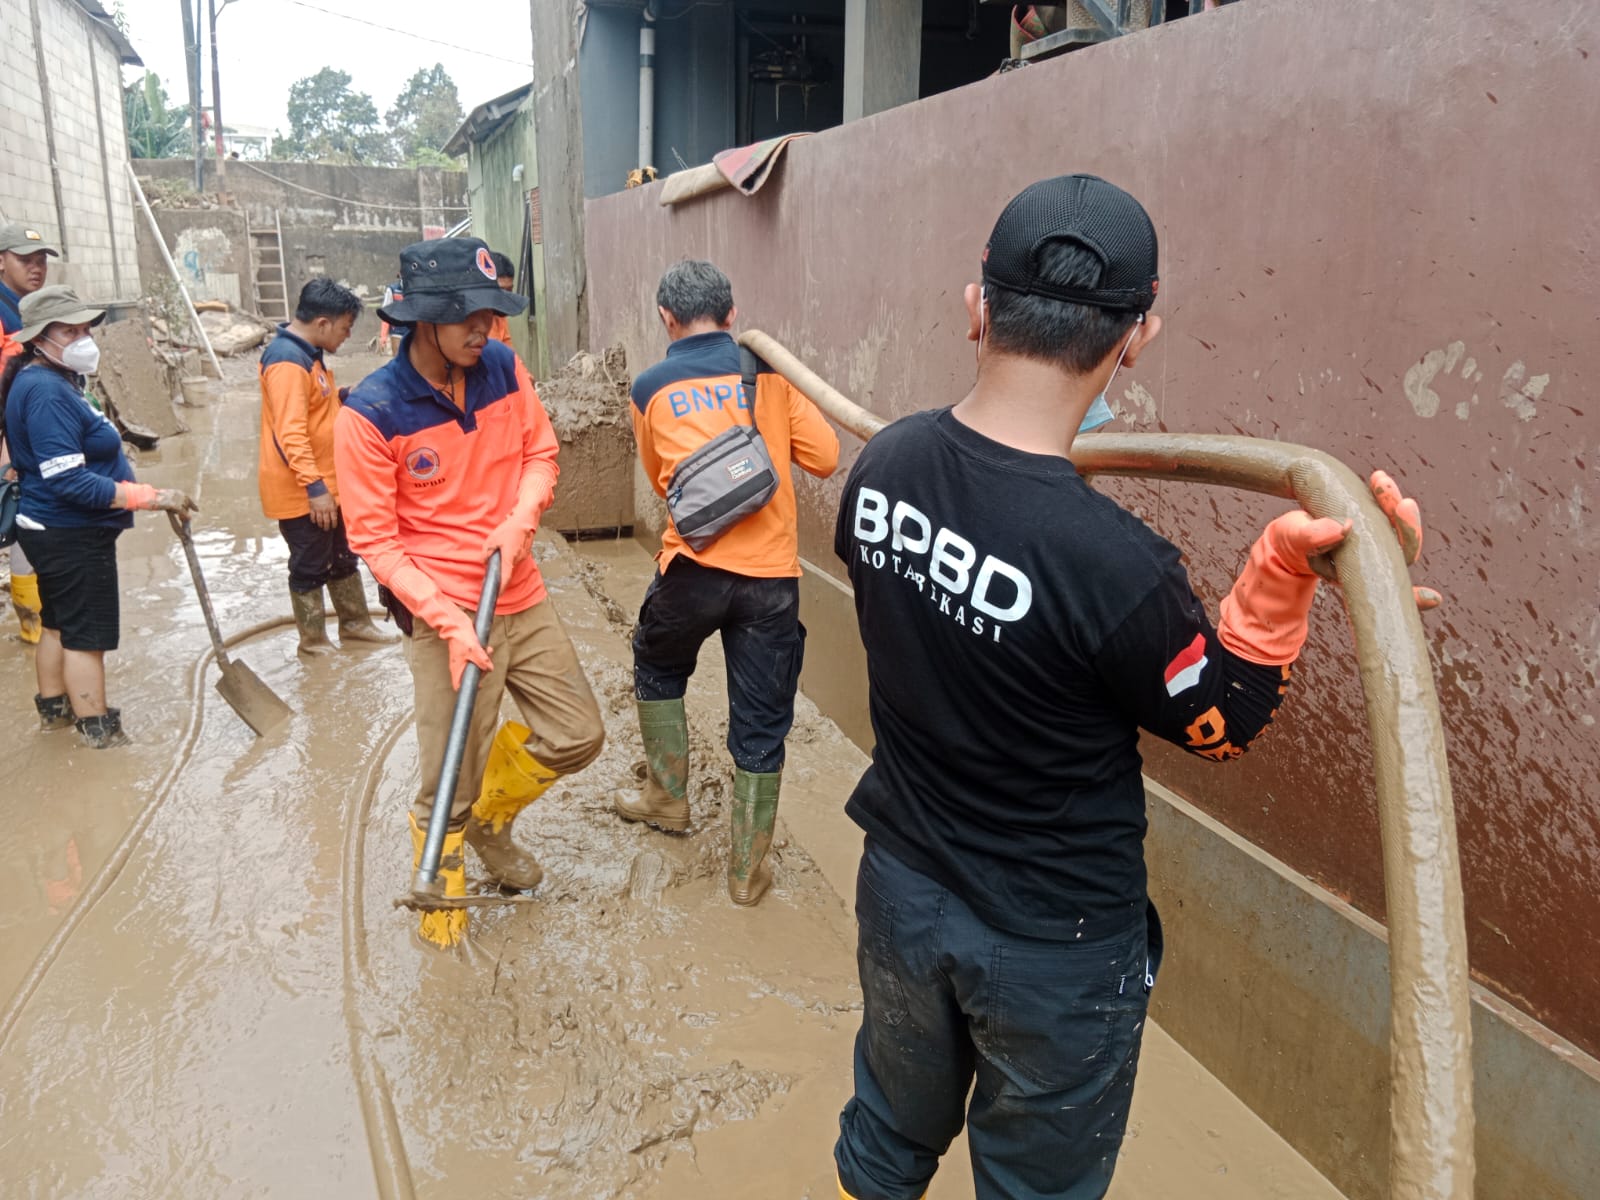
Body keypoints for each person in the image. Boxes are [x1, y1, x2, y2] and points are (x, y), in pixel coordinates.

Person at [828, 175, 1439, 1199]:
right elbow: (1217, 724)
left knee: (886, 1136)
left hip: (901, 889)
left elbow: (960, 588)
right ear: (1138, 335)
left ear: (975, 305)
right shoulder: (1117, 567)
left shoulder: (884, 464)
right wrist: (1283, 579)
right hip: (1051, 945)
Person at [335, 237, 605, 948]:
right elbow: (375, 541)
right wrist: (448, 625)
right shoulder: (370, 414)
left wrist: (521, 519)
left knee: (579, 736)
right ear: (422, 320)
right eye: (467, 316)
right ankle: (445, 895)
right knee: (446, 780)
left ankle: (490, 822)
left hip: (518, 587)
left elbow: (540, 454)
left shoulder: (504, 370)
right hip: (446, 610)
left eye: (491, 312)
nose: (483, 327)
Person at [610, 260, 839, 905]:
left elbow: (663, 484)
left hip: (693, 569)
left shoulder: (650, 386)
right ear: (733, 314)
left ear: (666, 318)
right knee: (763, 723)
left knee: (656, 662)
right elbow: (824, 459)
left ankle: (666, 798)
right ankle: (746, 874)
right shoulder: (767, 372)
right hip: (771, 583)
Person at [1, 286, 197, 748]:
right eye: (69, 330)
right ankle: (99, 732)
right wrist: (149, 495)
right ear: (39, 338)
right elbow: (68, 481)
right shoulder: (46, 391)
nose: (83, 338)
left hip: (47, 528)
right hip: (70, 533)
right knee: (86, 636)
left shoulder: (46, 378)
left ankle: (56, 713)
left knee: (58, 623)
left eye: (86, 328)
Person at [258, 277, 396, 656]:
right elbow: (291, 433)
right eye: (345, 328)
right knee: (309, 564)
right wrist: (315, 489)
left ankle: (355, 626)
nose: (347, 336)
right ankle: (314, 642)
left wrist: (342, 397)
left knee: (342, 555)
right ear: (322, 323)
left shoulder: (308, 354)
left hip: (328, 484)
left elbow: (313, 408)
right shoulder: (287, 361)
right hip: (304, 491)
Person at [0, 220, 60, 644]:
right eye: (25, 260)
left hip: (22, 437)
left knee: (25, 525)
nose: (36, 268)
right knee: (20, 520)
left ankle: (32, 625)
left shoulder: (27, 310)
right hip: (9, 443)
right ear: (1, 262)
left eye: (41, 261)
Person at [487, 251, 517, 349]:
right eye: (500, 291)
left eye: (509, 290)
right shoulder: (470, 322)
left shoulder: (500, 317)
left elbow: (511, 357)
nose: (505, 297)